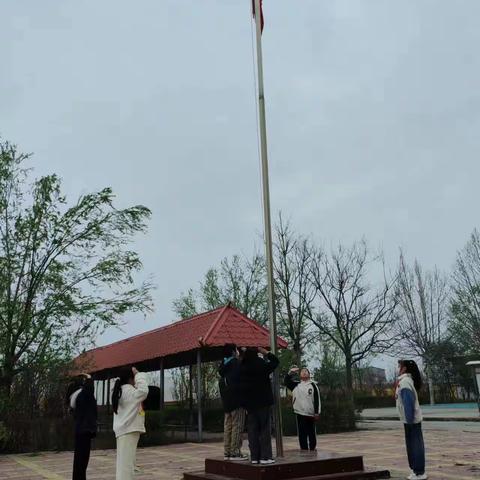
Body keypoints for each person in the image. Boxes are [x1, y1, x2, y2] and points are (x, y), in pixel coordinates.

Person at [240, 346, 279, 465]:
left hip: (250, 404)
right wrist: (266, 353)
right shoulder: (261, 363)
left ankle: (255, 457)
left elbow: (241, 388)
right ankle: (265, 456)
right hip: (263, 401)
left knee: (252, 431)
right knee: (265, 429)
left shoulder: (243, 367)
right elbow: (275, 362)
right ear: (257, 353)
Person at [112, 366, 149, 480]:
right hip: (129, 430)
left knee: (124, 464)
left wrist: (136, 377)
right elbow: (143, 391)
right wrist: (139, 375)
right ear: (130, 378)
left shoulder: (119, 391)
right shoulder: (129, 391)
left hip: (124, 431)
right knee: (126, 466)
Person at [396, 360, 427, 480]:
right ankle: (416, 470)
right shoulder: (405, 381)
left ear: (404, 369)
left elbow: (408, 403)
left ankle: (419, 472)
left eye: (400, 366)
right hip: (410, 420)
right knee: (414, 445)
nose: (398, 368)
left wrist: (409, 421)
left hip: (411, 421)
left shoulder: (405, 383)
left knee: (415, 446)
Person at [218, 343, 247, 461]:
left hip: (226, 403)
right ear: (233, 351)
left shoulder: (223, 365)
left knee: (228, 426)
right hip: (237, 401)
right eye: (236, 350)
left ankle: (227, 451)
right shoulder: (236, 364)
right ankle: (235, 452)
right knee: (237, 426)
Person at [66, 373, 97, 480]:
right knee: (82, 460)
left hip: (80, 430)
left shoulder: (75, 398)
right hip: (85, 430)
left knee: (79, 459)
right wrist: (88, 377)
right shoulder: (82, 395)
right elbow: (89, 389)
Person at [284, 366, 320, 452]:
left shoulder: (313, 385)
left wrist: (317, 412)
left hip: (310, 413)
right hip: (299, 412)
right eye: (302, 371)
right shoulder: (296, 385)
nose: (304, 372)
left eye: (306, 371)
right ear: (300, 375)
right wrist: (290, 373)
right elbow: (286, 381)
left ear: (309, 374)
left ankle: (312, 447)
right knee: (302, 433)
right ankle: (303, 448)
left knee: (311, 432)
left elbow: (316, 399)